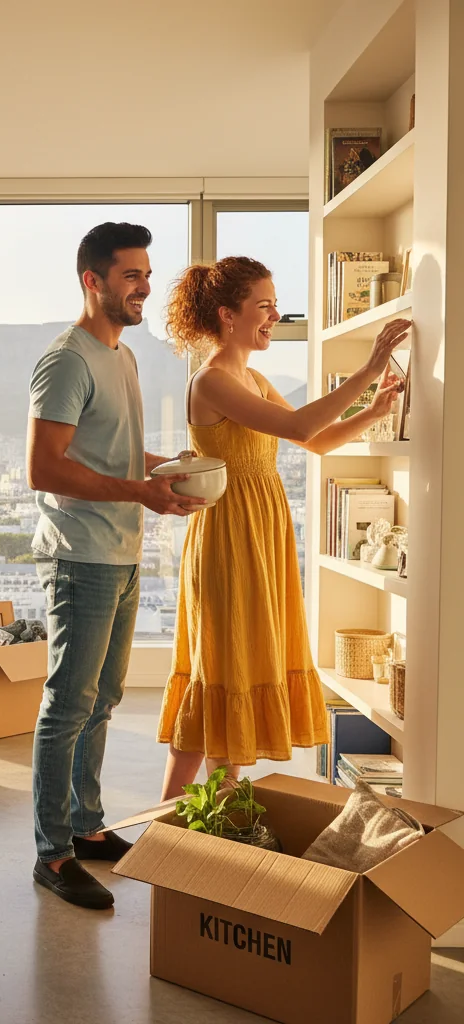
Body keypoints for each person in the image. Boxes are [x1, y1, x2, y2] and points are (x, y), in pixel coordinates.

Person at [157, 256, 408, 800]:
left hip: (258, 536)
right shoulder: (214, 380)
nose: (275, 315)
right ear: (228, 314)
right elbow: (299, 425)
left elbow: (313, 440)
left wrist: (375, 407)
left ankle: (172, 822)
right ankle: (213, 821)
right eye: (264, 305)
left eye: (275, 303)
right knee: (224, 670)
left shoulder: (250, 376)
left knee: (225, 669)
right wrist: (367, 372)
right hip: (229, 540)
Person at [27, 222, 203, 910]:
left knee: (101, 702)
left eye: (147, 274)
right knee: (68, 704)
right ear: (92, 281)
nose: (145, 287)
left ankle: (87, 827)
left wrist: (172, 472)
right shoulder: (68, 359)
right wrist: (141, 491)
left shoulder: (122, 358)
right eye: (131, 275)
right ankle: (52, 853)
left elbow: (114, 456)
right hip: (81, 557)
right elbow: (45, 467)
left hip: (121, 551)